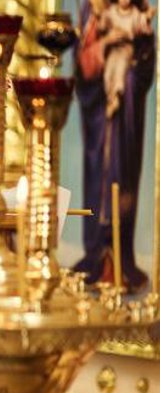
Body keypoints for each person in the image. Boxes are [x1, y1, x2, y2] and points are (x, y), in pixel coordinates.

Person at [74, 0, 156, 291]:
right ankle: (97, 256)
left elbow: (145, 62)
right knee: (100, 178)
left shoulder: (136, 13)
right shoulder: (95, 11)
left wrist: (130, 78)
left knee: (123, 179)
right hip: (99, 118)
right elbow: (84, 66)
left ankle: (121, 258)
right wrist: (106, 42)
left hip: (126, 121)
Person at [97, 0, 156, 116]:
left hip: (126, 49)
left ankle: (117, 95)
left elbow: (142, 22)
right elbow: (104, 21)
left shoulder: (134, 13)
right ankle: (110, 98)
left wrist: (148, 17)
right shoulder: (112, 11)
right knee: (108, 71)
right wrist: (103, 25)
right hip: (114, 49)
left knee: (120, 68)